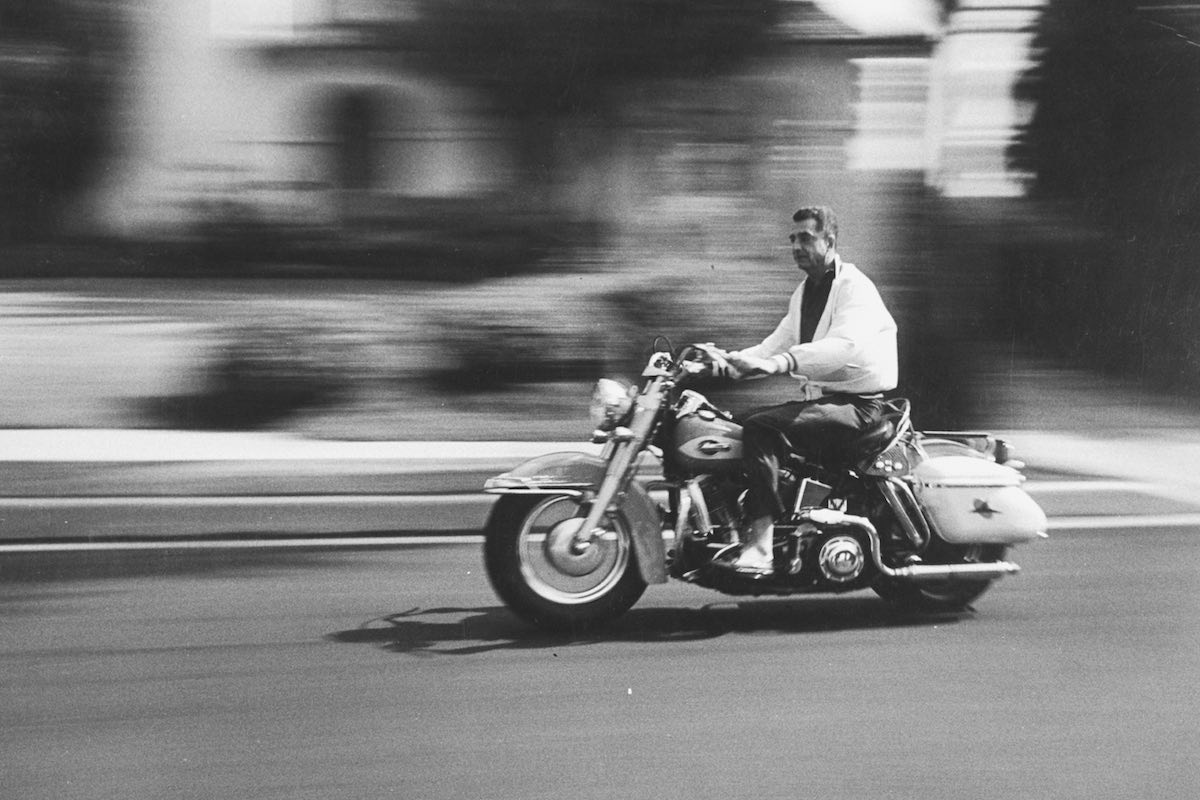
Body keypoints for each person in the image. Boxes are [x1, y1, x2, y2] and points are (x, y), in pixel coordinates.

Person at [712, 205, 898, 577]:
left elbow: (843, 347)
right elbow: (771, 346)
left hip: (859, 406)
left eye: (806, 238)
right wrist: (722, 362)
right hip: (825, 402)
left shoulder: (854, 287)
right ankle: (729, 527)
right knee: (729, 425)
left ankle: (761, 546)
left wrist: (780, 364)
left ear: (829, 242)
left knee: (763, 428)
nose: (796, 245)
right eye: (793, 239)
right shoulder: (804, 292)